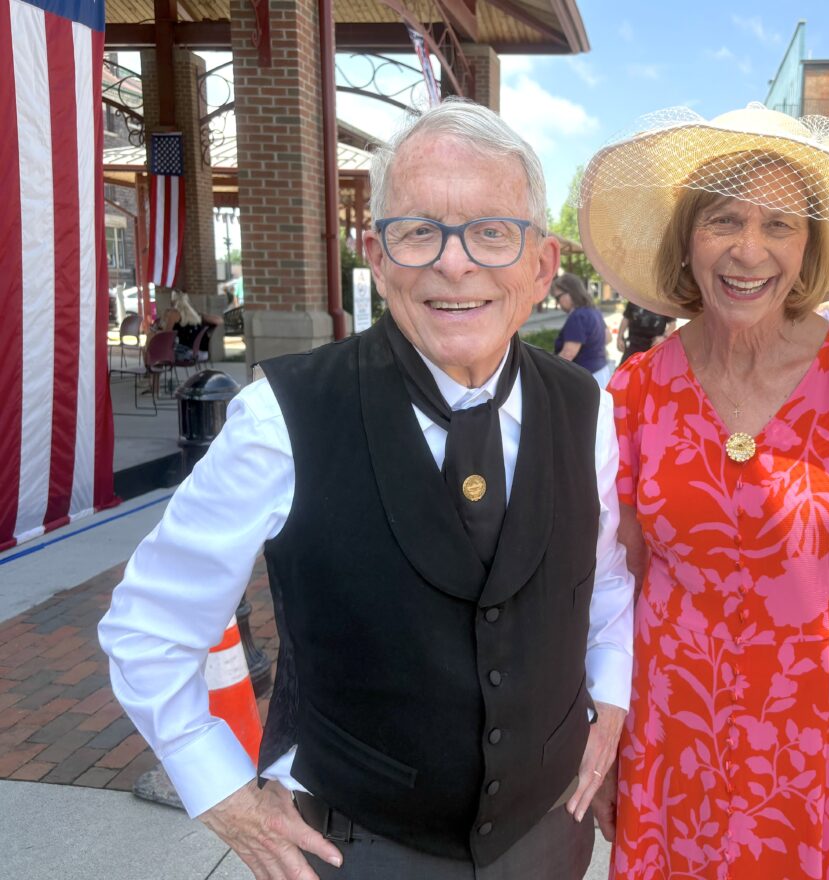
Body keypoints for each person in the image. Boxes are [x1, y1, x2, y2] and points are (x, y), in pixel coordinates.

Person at [98, 98, 634, 880]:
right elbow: (148, 627)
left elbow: (607, 583)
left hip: (549, 838)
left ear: (542, 265)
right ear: (377, 258)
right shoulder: (283, 417)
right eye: (419, 232)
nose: (455, 264)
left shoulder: (588, 410)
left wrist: (610, 697)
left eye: (492, 232)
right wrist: (222, 794)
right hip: (361, 848)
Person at [577, 103, 829, 880]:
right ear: (688, 243)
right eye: (723, 221)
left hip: (825, 758)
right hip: (671, 750)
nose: (750, 250)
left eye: (780, 225)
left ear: (807, 249)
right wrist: (604, 743)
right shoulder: (636, 392)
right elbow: (618, 588)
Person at [552, 272, 613, 386]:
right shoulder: (594, 311)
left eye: (558, 297)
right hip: (602, 371)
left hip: (586, 378)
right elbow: (608, 338)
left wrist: (548, 371)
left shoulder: (578, 316)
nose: (557, 302)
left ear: (570, 292)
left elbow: (568, 354)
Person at [161, 290, 223, 361]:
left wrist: (162, 323)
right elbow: (220, 320)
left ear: (174, 302)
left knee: (160, 350)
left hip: (186, 353)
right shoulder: (196, 316)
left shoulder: (174, 314)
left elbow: (166, 335)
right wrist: (201, 317)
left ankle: (154, 366)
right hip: (202, 353)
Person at [616, 301, 677, 365]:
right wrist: (619, 337)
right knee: (625, 370)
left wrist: (664, 337)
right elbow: (626, 319)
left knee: (650, 370)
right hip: (633, 345)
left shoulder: (664, 303)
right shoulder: (634, 299)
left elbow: (672, 324)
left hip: (654, 346)